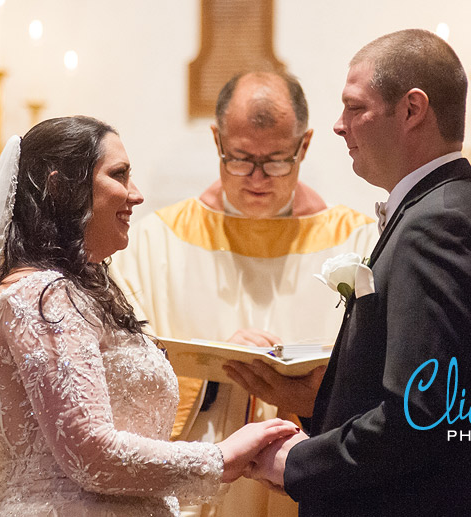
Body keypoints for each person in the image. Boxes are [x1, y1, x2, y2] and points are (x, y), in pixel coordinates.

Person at [0, 116, 299, 516]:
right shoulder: (38, 295)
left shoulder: (80, 291)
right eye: (120, 175)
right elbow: (90, 453)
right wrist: (219, 459)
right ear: (61, 187)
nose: (137, 195)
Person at [247, 29, 471, 516]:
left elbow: (419, 418)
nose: (339, 126)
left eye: (355, 108)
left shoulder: (439, 225)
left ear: (411, 110)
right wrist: (318, 401)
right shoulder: (445, 208)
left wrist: (296, 464)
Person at [112, 72, 377, 516]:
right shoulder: (153, 244)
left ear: (305, 146)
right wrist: (212, 372)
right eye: (239, 159)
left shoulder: (359, 242)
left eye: (276, 160)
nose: (257, 178)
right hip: (202, 488)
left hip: (310, 477)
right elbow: (119, 376)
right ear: (217, 140)